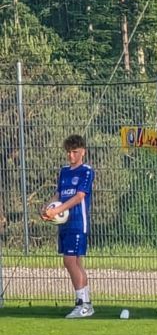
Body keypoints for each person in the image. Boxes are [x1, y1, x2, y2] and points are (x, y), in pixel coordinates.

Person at [42, 134, 95, 318]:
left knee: (70, 261)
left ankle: (82, 304)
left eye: (75, 152)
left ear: (83, 152)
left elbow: (79, 196)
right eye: (69, 152)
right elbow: (59, 193)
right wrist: (48, 207)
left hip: (77, 223)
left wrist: (58, 210)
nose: (71, 156)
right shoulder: (64, 171)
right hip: (63, 224)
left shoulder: (86, 171)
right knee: (76, 262)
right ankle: (86, 304)